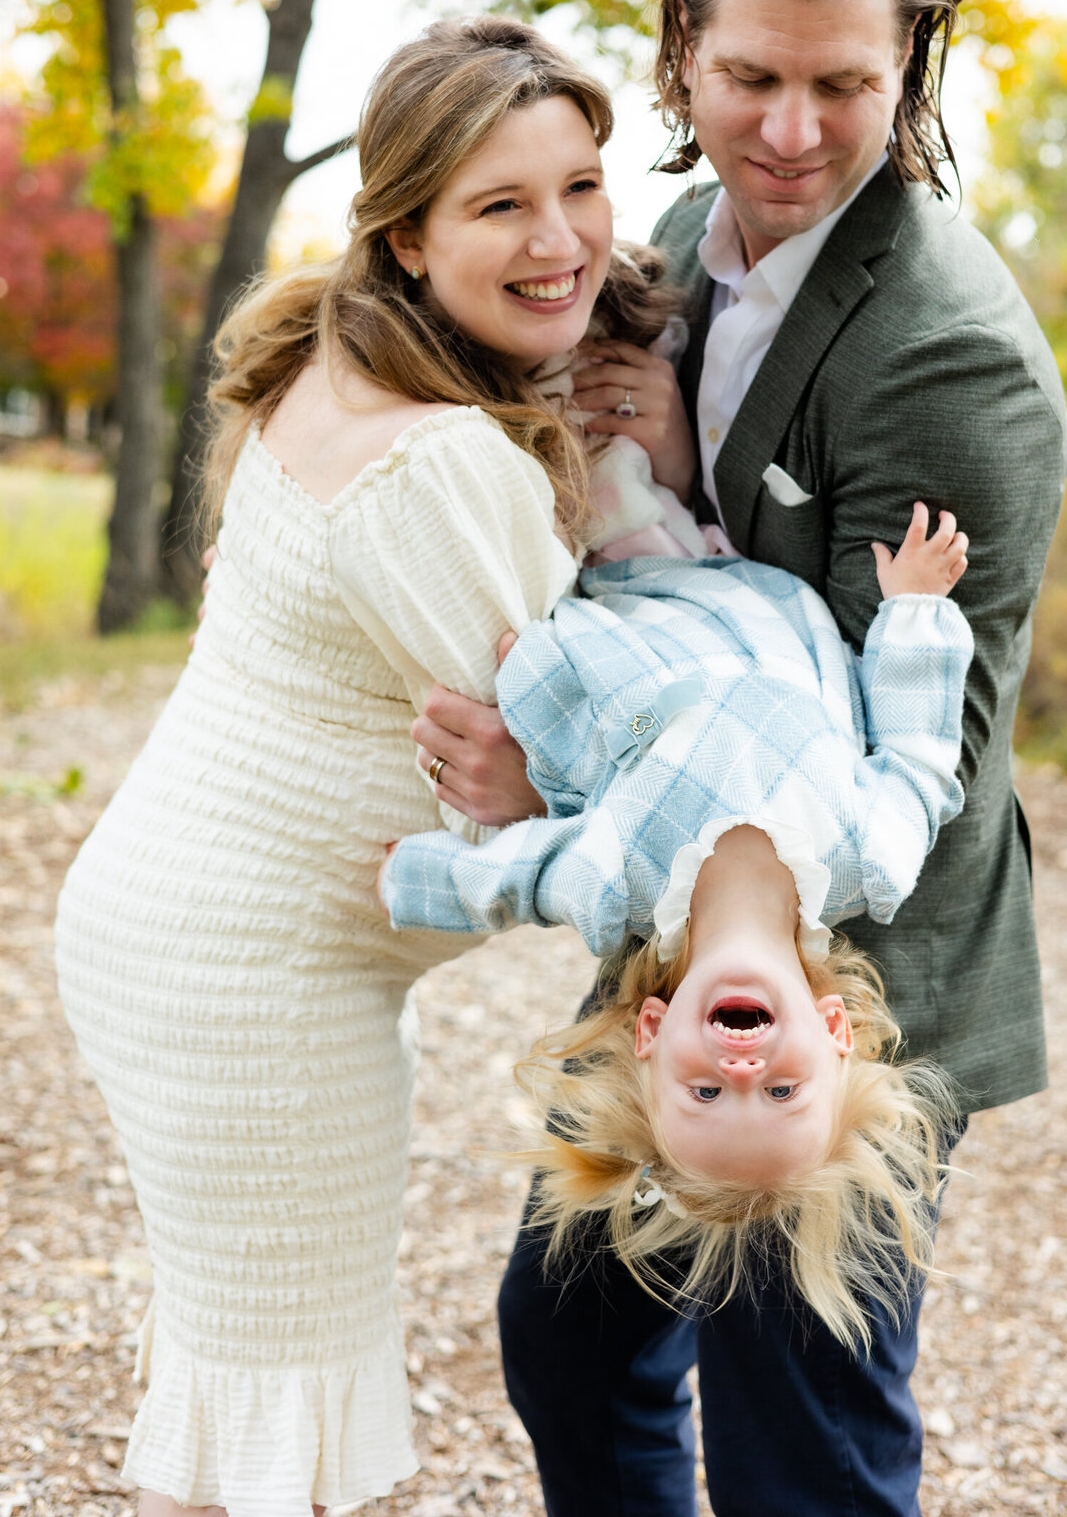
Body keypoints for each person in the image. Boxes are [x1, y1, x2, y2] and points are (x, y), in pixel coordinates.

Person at [412, 0, 1067, 1517]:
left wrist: (554, 781)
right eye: (750, 77)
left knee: (802, 1443)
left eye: (843, 86)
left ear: (912, 60)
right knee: (570, 1345)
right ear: (680, 49)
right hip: (687, 897)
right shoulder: (678, 234)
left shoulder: (955, 360)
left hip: (850, 955)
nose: (790, 135)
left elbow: (904, 737)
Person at [53, 14, 686, 1517]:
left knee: (248, 1384)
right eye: (500, 204)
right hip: (249, 980)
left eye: (582, 186)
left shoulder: (345, 360)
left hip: (181, 938)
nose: (563, 240)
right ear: (406, 235)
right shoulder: (436, 463)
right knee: (285, 1420)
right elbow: (585, 765)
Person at [382, 502, 972, 1347]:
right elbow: (920, 765)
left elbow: (509, 878)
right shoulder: (872, 858)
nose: (742, 1067)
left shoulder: (612, 878)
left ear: (652, 1032)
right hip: (752, 585)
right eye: (781, 1090)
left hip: (618, 602)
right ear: (835, 1030)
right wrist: (915, 611)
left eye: (706, 1093)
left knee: (535, 504)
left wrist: (399, 878)